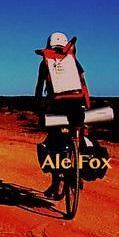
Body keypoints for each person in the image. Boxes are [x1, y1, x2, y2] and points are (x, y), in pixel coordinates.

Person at [35, 32, 91, 199]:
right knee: (80, 135)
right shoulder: (73, 61)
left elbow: (39, 87)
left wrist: (39, 107)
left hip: (57, 106)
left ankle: (57, 182)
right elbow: (83, 85)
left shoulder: (45, 62)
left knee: (53, 142)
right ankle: (79, 172)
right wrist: (86, 106)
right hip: (77, 105)